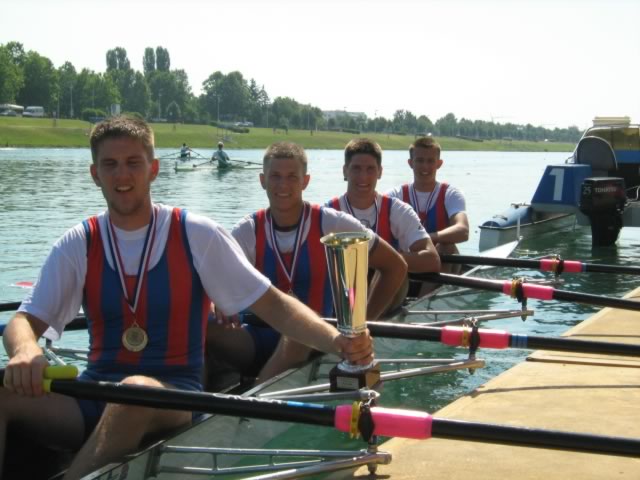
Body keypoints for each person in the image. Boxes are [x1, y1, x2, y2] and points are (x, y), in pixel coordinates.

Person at [0, 116, 373, 479]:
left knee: (135, 392)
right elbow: (23, 321)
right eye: (110, 165)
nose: (122, 175)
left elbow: (273, 305)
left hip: (176, 397)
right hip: (93, 392)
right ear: (95, 173)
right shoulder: (78, 243)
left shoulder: (196, 234)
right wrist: (25, 350)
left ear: (154, 169)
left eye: (133, 163)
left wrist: (338, 341)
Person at [207, 141, 407, 381]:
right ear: (262, 180)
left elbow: (395, 266)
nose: (283, 185)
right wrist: (214, 302)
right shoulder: (247, 230)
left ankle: (254, 396)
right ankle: (199, 386)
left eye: (292, 177)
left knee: (297, 334)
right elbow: (212, 283)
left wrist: (362, 325)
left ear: (305, 181)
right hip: (257, 337)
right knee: (203, 324)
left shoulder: (333, 224)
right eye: (275, 176)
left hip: (315, 339)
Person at [327, 138, 441, 302]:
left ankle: (367, 316)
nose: (363, 176)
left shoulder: (397, 210)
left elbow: (432, 260)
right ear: (345, 171)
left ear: (380, 172)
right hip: (341, 296)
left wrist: (383, 259)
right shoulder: (329, 212)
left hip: (382, 299)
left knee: (390, 268)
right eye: (356, 168)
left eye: (370, 169)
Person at [386, 136, 469, 268]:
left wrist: (425, 238)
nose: (425, 166)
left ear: (439, 164)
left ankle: (433, 283)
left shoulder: (451, 194)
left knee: (446, 246)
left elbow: (463, 230)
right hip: (408, 261)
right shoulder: (395, 195)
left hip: (439, 262)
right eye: (420, 161)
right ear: (410, 163)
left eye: (430, 161)